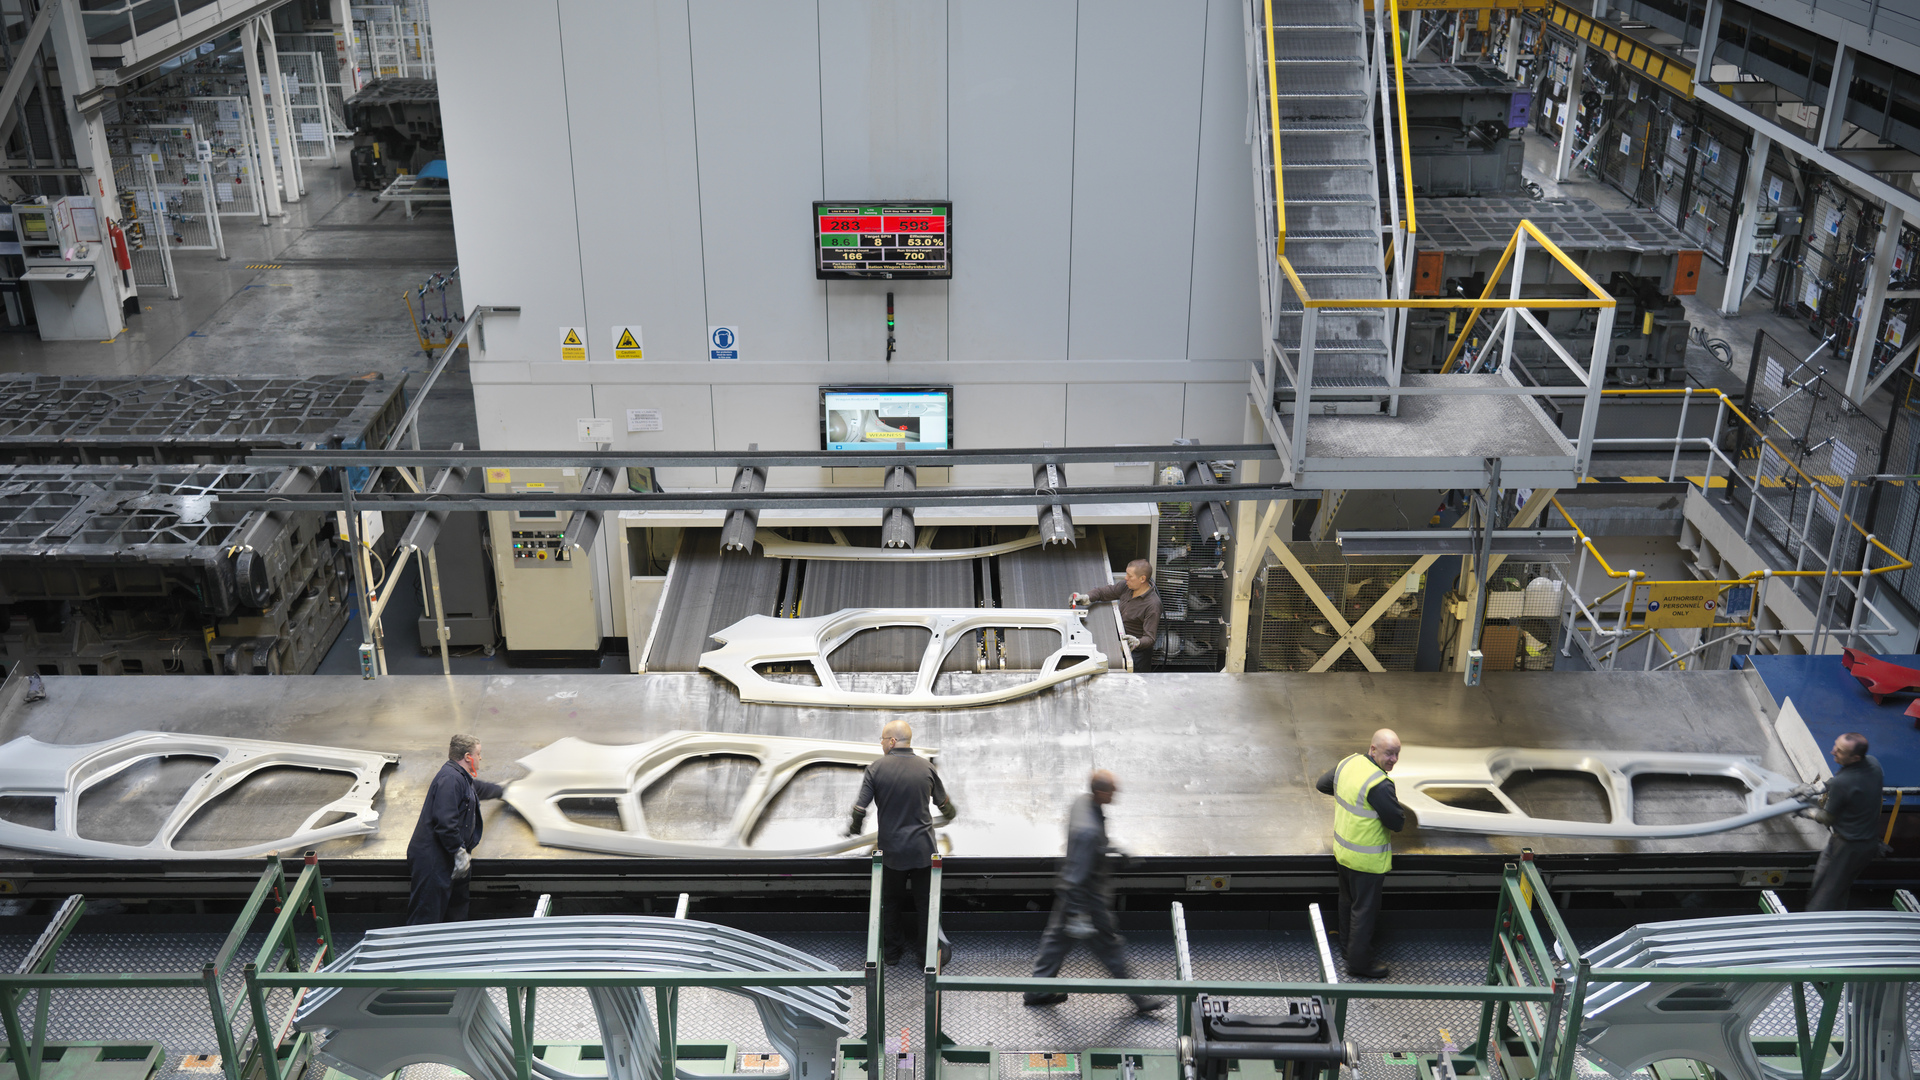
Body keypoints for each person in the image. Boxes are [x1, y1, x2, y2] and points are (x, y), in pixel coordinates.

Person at [1023, 770, 1167, 1014]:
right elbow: (1078, 873)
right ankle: (1139, 999)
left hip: (1071, 898)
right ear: (1100, 792)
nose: (1116, 794)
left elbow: (1084, 849)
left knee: (1055, 944)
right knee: (1110, 948)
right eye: (1112, 790)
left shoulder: (1082, 803)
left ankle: (1037, 991)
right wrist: (1080, 916)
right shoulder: (1087, 831)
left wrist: (1113, 849)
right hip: (1087, 901)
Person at [847, 720, 956, 966]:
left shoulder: (876, 768)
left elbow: (859, 809)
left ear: (892, 741)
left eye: (883, 739)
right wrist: (951, 815)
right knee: (926, 904)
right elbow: (944, 805)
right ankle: (927, 955)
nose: (882, 744)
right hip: (923, 850)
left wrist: (853, 829)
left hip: (892, 852)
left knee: (891, 902)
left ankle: (892, 953)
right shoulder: (926, 768)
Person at [1314, 729, 1404, 978]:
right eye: (1389, 754)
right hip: (1367, 860)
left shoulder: (1348, 763)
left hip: (1344, 852)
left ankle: (1347, 949)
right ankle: (1359, 964)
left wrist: (1350, 794)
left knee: (1347, 902)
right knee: (1364, 911)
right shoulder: (1379, 784)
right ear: (1373, 749)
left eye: (1397, 754)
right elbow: (1397, 822)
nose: (1393, 760)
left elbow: (1322, 784)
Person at [404, 733, 506, 925]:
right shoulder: (450, 779)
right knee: (427, 916)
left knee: (455, 914)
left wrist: (502, 790)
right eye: (478, 753)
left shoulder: (460, 778)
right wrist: (458, 851)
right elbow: (445, 821)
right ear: (468, 756)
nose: (480, 758)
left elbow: (478, 788)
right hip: (434, 859)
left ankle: (449, 951)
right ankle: (421, 952)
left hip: (449, 857)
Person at [1804, 732, 1886, 911]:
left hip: (1849, 847)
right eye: (1836, 746)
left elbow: (1827, 818)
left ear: (1855, 757)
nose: (1832, 751)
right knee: (1832, 885)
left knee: (1827, 892)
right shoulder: (1873, 763)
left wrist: (1807, 811)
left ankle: (1813, 929)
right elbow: (1844, 782)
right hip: (1865, 842)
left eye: (1839, 751)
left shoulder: (1844, 783)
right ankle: (1830, 917)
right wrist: (1818, 787)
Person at [1072, 558, 1161, 672]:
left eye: (1130, 576)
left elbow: (1150, 638)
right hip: (1118, 645)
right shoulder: (1126, 587)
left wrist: (1137, 642)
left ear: (1142, 578)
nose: (1126, 578)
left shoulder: (1152, 605)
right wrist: (1086, 597)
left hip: (1137, 655)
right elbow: (1103, 593)